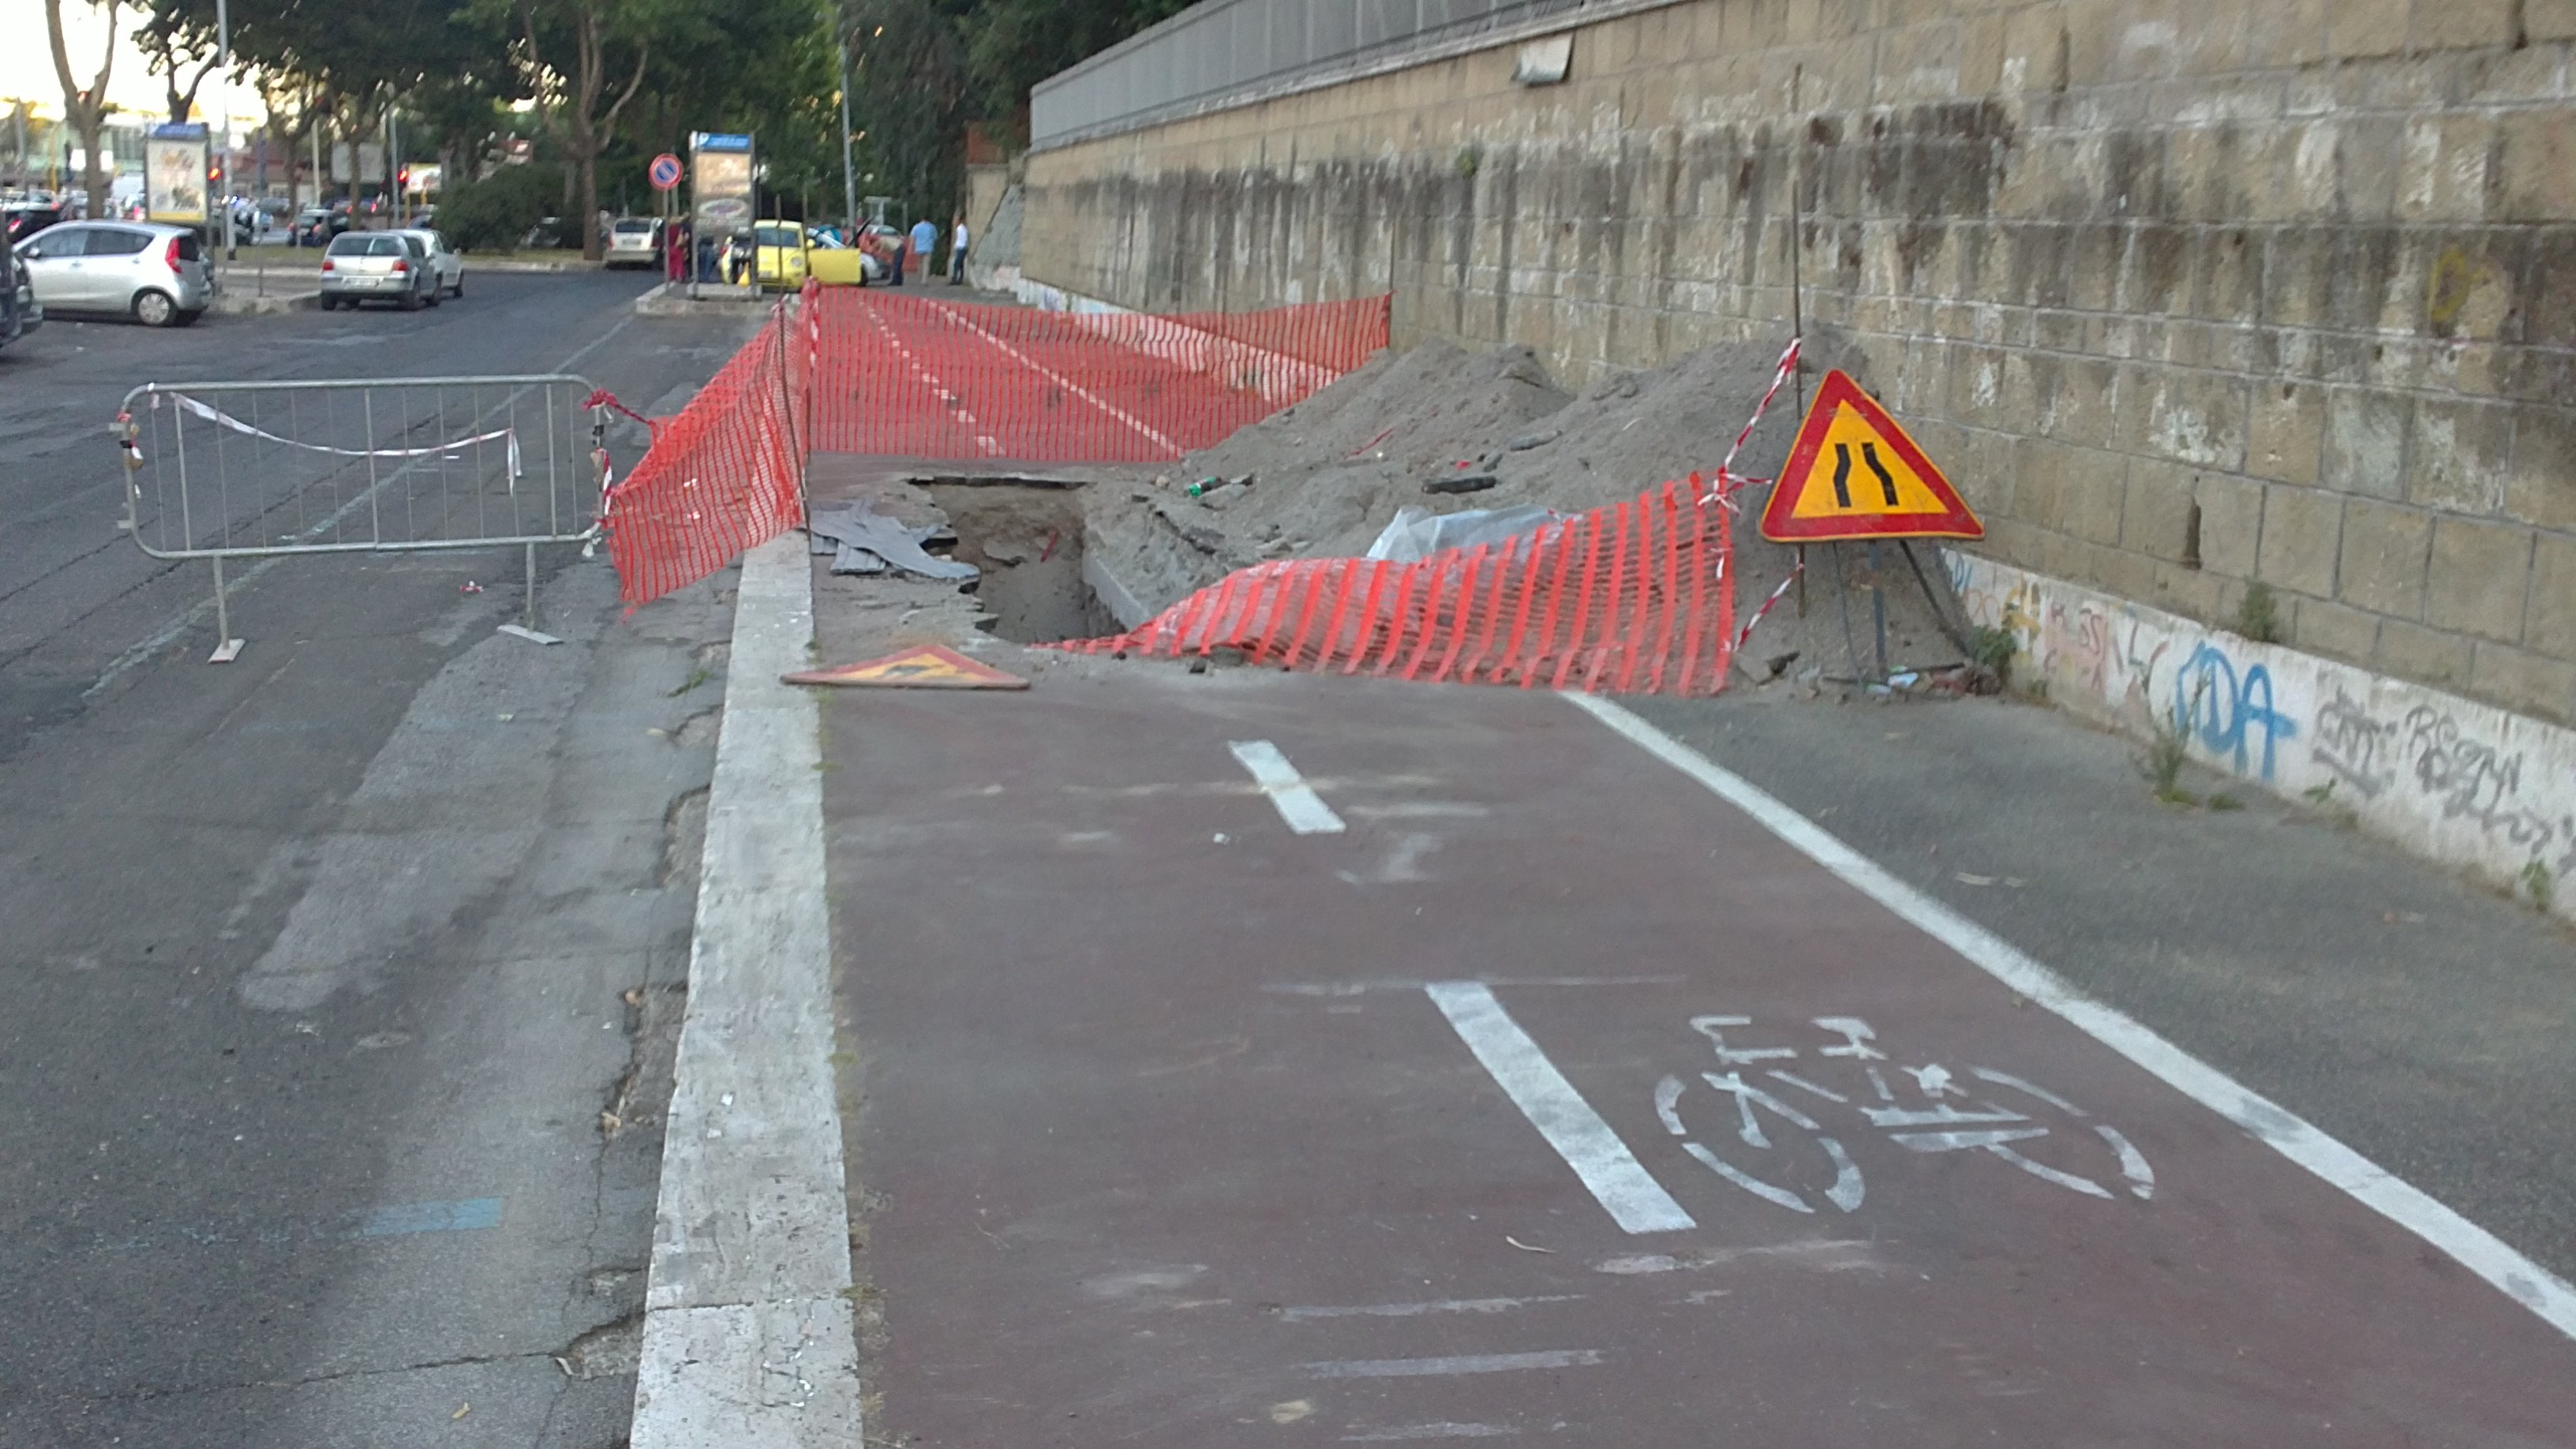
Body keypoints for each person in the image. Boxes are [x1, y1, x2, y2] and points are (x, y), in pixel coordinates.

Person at [909, 215, 938, 287]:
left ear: (921, 219)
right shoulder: (932, 227)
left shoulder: (916, 227)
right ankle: (924, 281)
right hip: (928, 248)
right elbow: (935, 238)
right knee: (926, 265)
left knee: (920, 264)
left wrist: (910, 248)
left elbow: (913, 238)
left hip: (919, 248)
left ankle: (920, 277)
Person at [949, 213, 968, 284]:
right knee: (960, 264)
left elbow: (962, 239)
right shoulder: (963, 228)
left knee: (957, 264)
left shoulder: (960, 228)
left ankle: (955, 278)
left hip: (961, 247)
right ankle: (960, 278)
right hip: (961, 247)